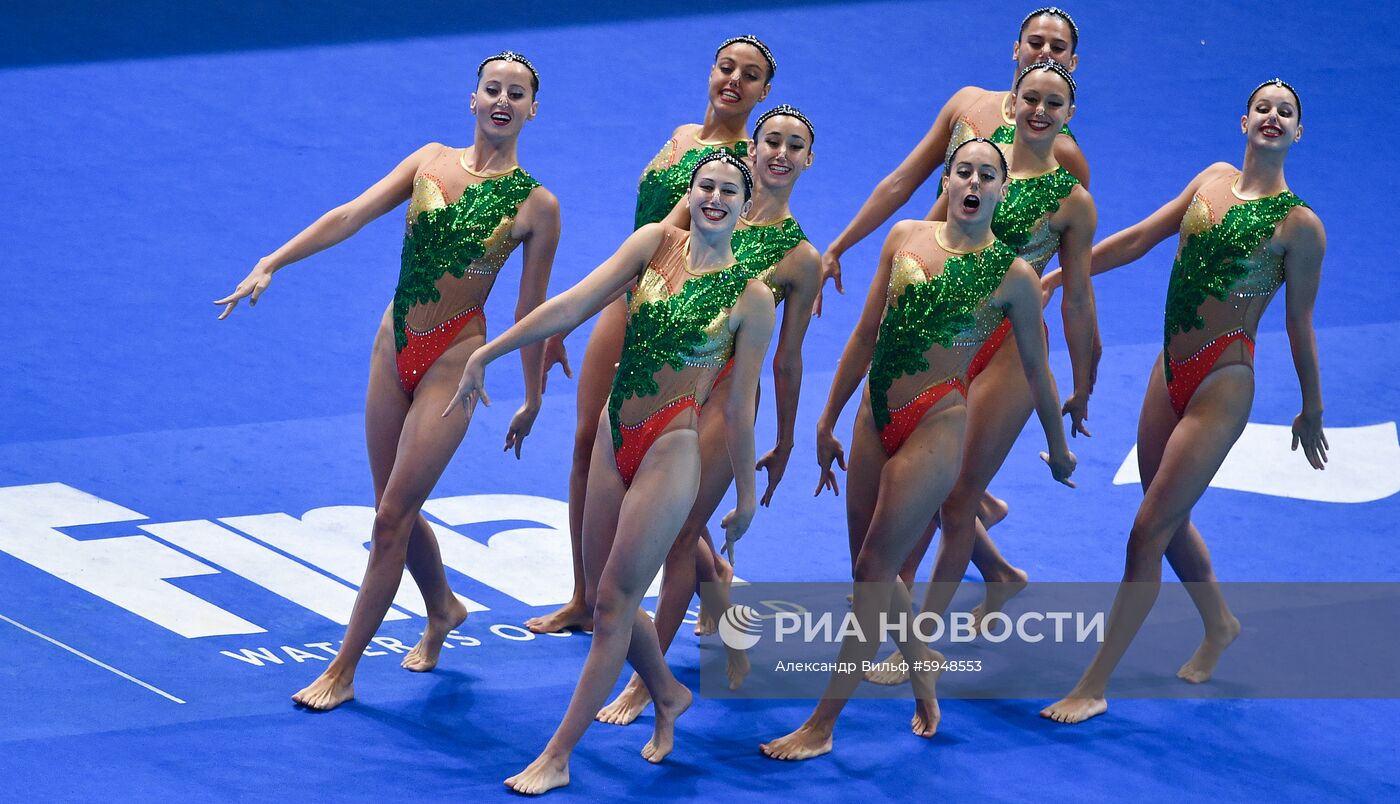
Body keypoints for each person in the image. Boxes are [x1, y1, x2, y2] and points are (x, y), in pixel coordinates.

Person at [213, 52, 560, 710]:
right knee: (391, 508)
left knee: (392, 516)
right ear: (473, 97)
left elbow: (530, 311)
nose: (502, 101)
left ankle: (343, 670)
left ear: (532, 109)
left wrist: (534, 393)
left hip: (457, 361)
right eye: (493, 89)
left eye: (517, 93)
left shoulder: (537, 205)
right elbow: (351, 214)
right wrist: (273, 261)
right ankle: (444, 608)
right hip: (392, 347)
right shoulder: (428, 160)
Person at [445, 153, 776, 793]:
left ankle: (559, 753)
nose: (714, 198)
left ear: (746, 204)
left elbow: (738, 409)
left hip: (671, 452)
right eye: (705, 186)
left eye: (728, 191)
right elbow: (572, 304)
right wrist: (489, 351)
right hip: (612, 436)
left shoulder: (753, 297)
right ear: (691, 191)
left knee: (617, 606)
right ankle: (669, 693)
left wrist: (746, 494)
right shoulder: (654, 244)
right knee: (601, 601)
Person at [760, 139, 1075, 760]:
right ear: (949, 183)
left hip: (937, 423)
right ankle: (922, 674)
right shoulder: (905, 237)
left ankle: (821, 725)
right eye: (964, 172)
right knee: (867, 574)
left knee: (877, 574)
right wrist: (826, 419)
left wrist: (1059, 446)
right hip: (873, 417)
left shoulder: (1016, 277)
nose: (974, 183)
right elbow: (866, 332)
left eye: (988, 175)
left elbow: (1039, 373)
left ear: (1001, 190)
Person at [1040, 79, 1326, 724]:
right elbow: (1142, 237)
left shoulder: (1300, 226)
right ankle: (1220, 622)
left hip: (1222, 384)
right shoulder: (1211, 180)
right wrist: (1063, 273)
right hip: (1167, 371)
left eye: (1287, 113)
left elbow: (1299, 323)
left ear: (1298, 133)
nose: (1273, 117)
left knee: (1146, 532)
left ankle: (1094, 683)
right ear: (1244, 120)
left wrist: (1312, 406)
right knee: (1162, 515)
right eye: (1264, 108)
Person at [526, 35, 776, 635]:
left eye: (750, 76)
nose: (733, 81)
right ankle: (585, 596)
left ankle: (706, 583)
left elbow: (670, 238)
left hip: (671, 311)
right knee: (590, 438)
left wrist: (586, 311)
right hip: (629, 294)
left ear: (765, 93)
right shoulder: (683, 134)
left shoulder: (740, 167)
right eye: (725, 68)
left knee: (653, 471)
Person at [867, 60, 1098, 685]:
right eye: (1031, 99)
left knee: (957, 492)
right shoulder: (977, 164)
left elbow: (1077, 296)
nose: (1040, 111)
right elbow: (930, 234)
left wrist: (1085, 378)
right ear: (1013, 100)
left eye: (1055, 103)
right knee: (934, 489)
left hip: (1008, 348)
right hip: (947, 339)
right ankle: (996, 577)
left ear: (1068, 114)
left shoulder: (1073, 201)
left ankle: (921, 644)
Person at [597, 105, 822, 725]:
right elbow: (650, 269)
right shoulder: (706, 201)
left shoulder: (802, 259)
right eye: (770, 140)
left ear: (808, 161)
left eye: (793, 145)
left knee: (675, 534)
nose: (780, 152)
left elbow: (788, 360)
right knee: (673, 527)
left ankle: (650, 683)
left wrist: (787, 439)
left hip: (725, 399)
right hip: (662, 381)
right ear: (751, 149)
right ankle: (718, 586)